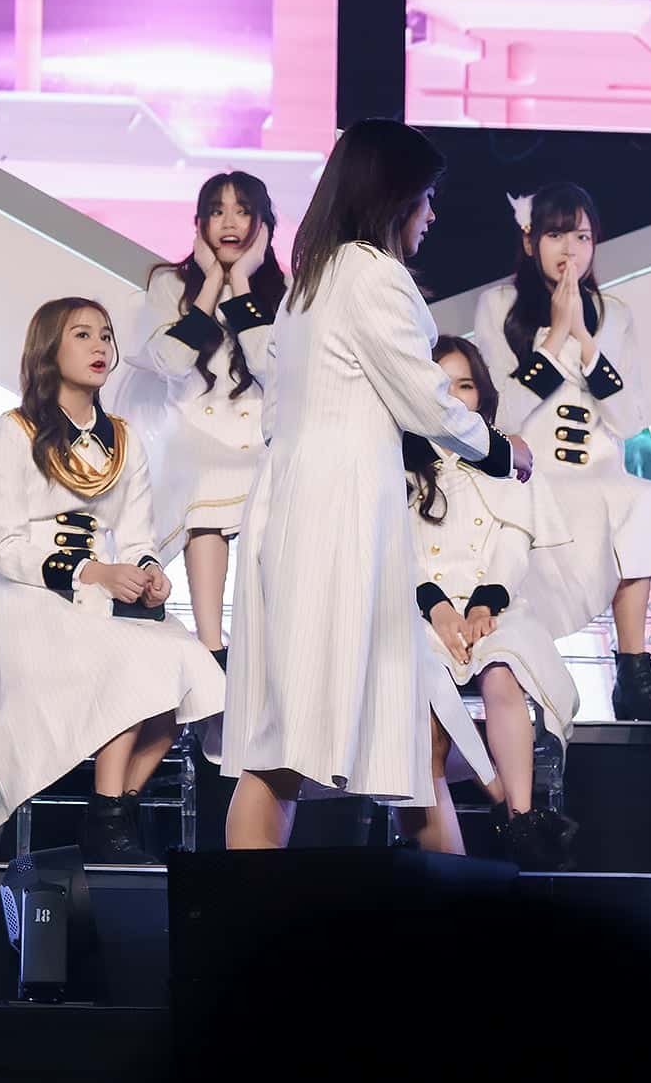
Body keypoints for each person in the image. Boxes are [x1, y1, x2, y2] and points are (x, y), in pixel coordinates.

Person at [221, 119, 532, 851]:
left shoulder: (311, 281)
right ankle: (245, 915)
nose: (431, 215)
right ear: (394, 197)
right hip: (338, 515)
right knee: (288, 747)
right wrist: (500, 448)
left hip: (298, 501)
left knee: (385, 731)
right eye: (425, 197)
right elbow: (425, 399)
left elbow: (277, 411)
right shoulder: (372, 273)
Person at [0, 297, 225, 862]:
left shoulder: (125, 439)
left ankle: (113, 809)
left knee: (190, 667)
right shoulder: (14, 430)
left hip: (102, 598)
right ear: (49, 348)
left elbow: (136, 538)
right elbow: (5, 549)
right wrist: (93, 572)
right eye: (83, 335)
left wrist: (150, 573)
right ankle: (110, 817)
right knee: (131, 661)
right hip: (31, 600)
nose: (100, 347)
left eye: (106, 336)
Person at [471, 183, 651, 722]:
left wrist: (587, 338)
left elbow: (628, 419)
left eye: (582, 237)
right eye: (556, 235)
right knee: (617, 511)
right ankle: (605, 673)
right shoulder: (499, 306)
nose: (570, 250)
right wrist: (556, 337)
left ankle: (648, 669)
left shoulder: (613, 313)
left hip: (603, 475)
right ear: (529, 241)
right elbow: (500, 416)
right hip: (534, 476)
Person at [407, 336, 579, 869]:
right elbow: (396, 552)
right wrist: (439, 609)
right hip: (420, 611)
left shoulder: (507, 457)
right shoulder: (397, 462)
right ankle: (485, 808)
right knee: (423, 696)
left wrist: (484, 605)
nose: (453, 396)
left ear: (481, 393)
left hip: (495, 607)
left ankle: (521, 820)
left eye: (465, 385)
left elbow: (513, 543)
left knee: (503, 670)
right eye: (440, 384)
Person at [117, 172, 284, 667]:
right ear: (198, 224)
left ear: (263, 224)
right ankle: (211, 646)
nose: (229, 223)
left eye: (242, 211)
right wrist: (211, 283)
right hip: (194, 432)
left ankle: (265, 648)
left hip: (263, 435)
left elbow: (269, 365)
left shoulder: (286, 291)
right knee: (205, 481)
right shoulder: (169, 284)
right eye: (217, 211)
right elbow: (169, 362)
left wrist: (242, 282)